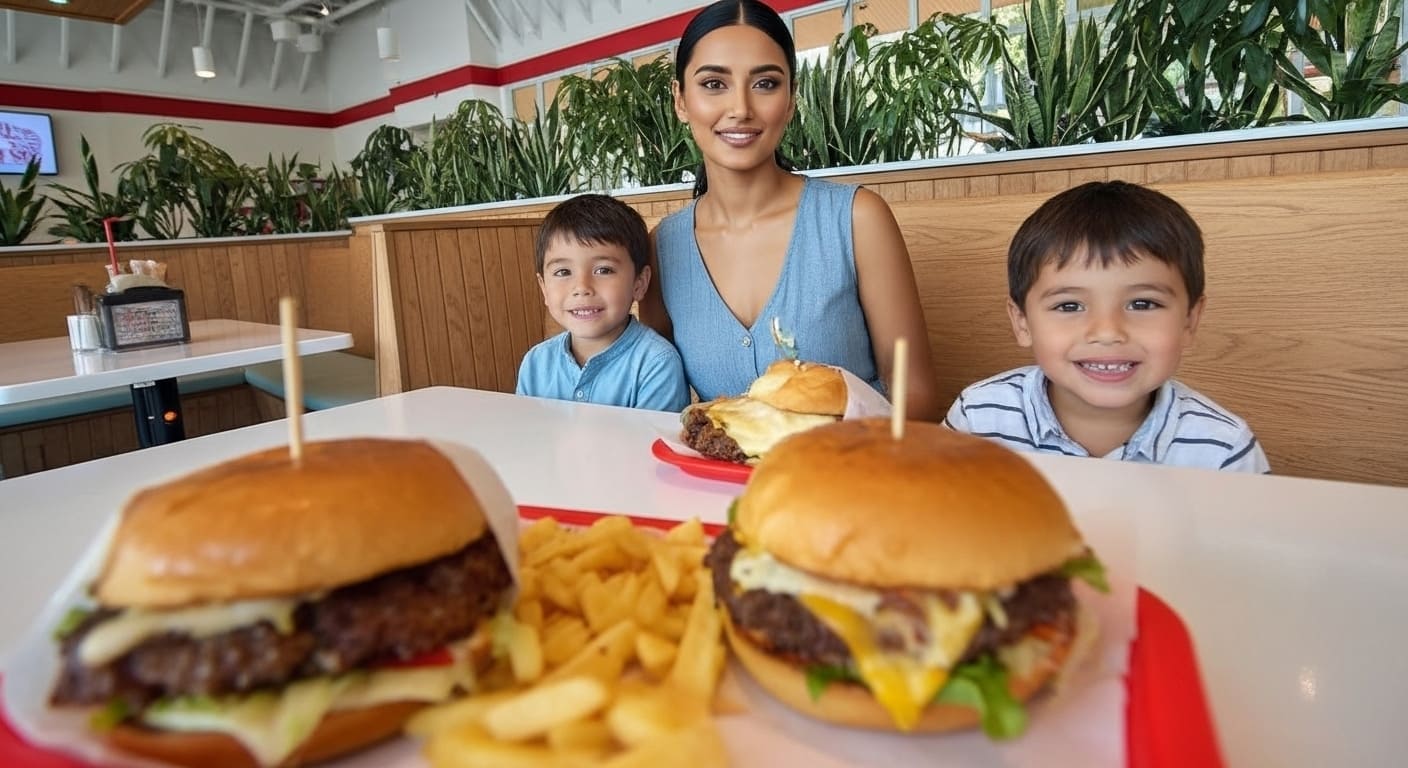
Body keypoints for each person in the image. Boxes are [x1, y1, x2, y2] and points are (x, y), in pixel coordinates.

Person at [640, 0, 942, 420]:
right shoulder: (662, 247)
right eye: (713, 84)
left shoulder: (858, 219)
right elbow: (657, 395)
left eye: (765, 83)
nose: (741, 108)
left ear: (791, 98)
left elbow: (918, 398)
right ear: (680, 100)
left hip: (854, 476)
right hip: (716, 483)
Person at [945, 181, 1269, 472]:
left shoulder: (1223, 450)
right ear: (1022, 322)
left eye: (1142, 304)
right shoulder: (978, 417)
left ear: (1189, 321)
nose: (1107, 331)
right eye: (1069, 306)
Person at [516, 194, 690, 412]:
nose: (581, 287)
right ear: (543, 288)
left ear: (639, 283)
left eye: (603, 270)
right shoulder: (535, 364)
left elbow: (650, 445)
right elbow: (527, 437)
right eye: (563, 272)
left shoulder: (657, 364)